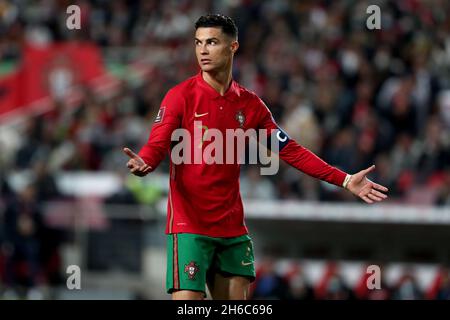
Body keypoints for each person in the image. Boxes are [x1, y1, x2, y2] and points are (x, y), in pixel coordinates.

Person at [123, 14, 388, 300]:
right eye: (198, 43)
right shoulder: (180, 96)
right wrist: (145, 162)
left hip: (232, 230)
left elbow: (290, 151)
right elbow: (157, 143)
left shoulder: (250, 105)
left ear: (233, 47)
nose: (202, 50)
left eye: (211, 42)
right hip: (189, 228)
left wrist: (345, 179)